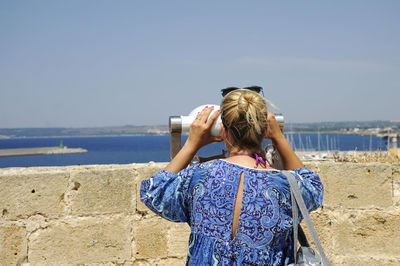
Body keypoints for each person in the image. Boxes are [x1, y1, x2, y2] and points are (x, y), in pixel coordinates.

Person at [140, 88, 323, 265]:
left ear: (223, 131)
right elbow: (314, 187)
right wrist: (279, 138)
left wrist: (192, 144)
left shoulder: (198, 177)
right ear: (264, 131)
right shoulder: (286, 185)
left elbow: (153, 191)